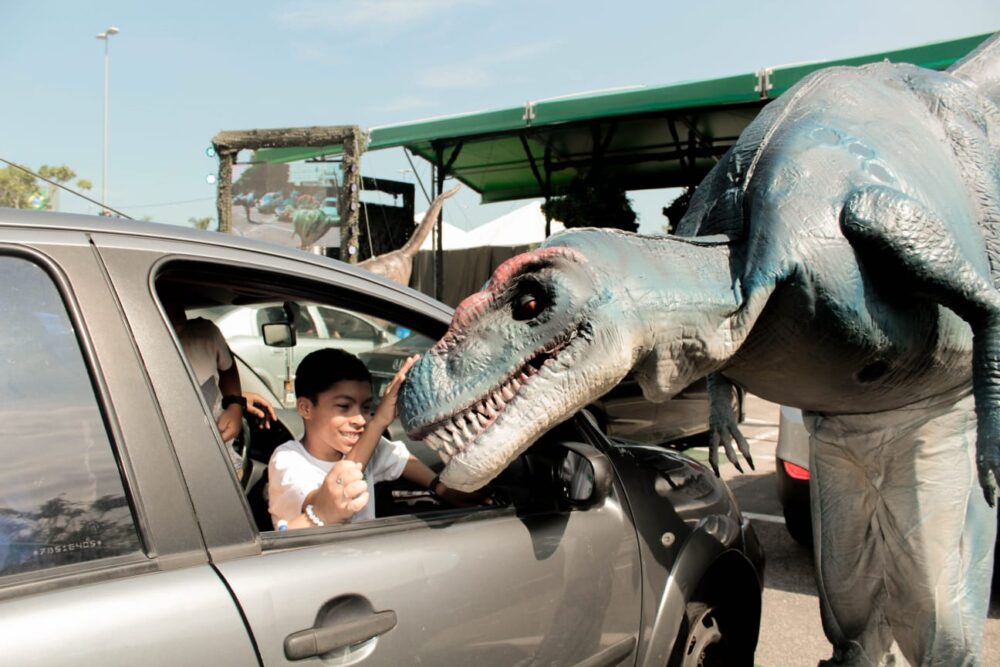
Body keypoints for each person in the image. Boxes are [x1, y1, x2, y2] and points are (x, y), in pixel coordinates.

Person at [267, 348, 472, 529]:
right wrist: (378, 422)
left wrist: (440, 488)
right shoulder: (288, 460)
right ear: (305, 408)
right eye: (344, 406)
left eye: (366, 407)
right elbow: (325, 503)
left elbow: (403, 460)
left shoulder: (367, 445)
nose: (360, 419)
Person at [161, 289, 276, 467]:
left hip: (219, 456)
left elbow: (227, 368)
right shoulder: (140, 351)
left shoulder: (205, 335)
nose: (176, 314)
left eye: (178, 305)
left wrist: (235, 403)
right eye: (166, 304)